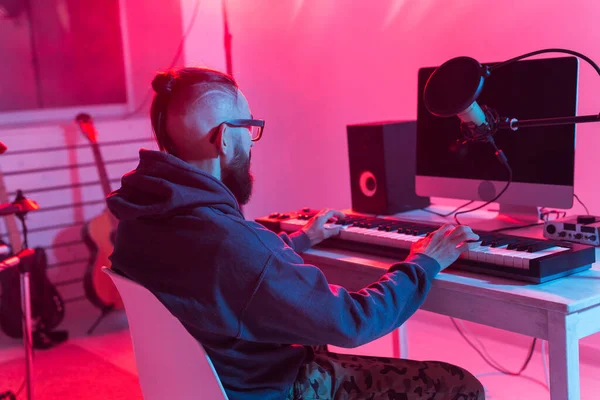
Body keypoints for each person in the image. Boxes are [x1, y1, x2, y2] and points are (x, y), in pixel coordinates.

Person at [107, 66, 485, 400]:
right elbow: (353, 321)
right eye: (250, 129)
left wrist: (300, 240)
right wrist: (424, 262)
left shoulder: (140, 220)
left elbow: (220, 272)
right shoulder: (231, 244)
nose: (251, 143)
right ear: (224, 139)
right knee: (460, 385)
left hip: (212, 385)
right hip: (269, 388)